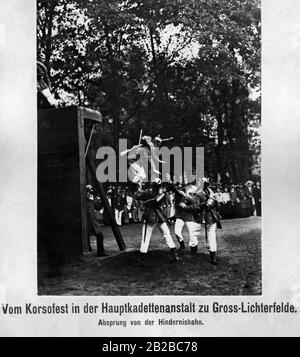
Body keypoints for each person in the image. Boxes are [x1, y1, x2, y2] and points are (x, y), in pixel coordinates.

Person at [135, 179, 179, 262]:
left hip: (151, 215)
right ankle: (175, 255)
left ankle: (142, 258)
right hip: (159, 215)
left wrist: (139, 186)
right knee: (166, 234)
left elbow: (138, 196)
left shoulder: (149, 192)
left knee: (146, 236)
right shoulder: (161, 193)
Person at [181, 178, 222, 265]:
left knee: (194, 232)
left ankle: (194, 250)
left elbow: (196, 206)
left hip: (202, 216)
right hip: (211, 215)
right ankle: (212, 255)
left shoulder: (199, 193)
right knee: (211, 235)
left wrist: (185, 207)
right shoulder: (209, 191)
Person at [86, 185, 108, 257]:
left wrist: (101, 201)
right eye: (88, 192)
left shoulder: (90, 201)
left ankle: (100, 252)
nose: (90, 193)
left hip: (92, 223)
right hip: (88, 223)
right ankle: (91, 250)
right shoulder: (86, 202)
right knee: (90, 236)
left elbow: (98, 206)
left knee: (99, 235)